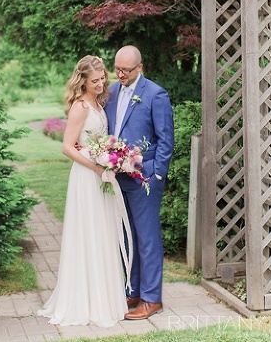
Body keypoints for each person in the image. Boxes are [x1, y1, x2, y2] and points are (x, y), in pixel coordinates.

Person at [38, 55, 128, 327]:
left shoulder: (98, 104)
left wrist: (111, 157)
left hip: (100, 174)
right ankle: (84, 300)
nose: (101, 84)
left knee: (102, 232)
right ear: (83, 81)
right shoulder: (80, 107)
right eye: (95, 81)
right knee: (87, 232)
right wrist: (96, 166)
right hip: (87, 177)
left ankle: (104, 297)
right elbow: (67, 147)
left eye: (102, 79)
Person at [104, 45, 174, 320]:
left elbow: (166, 139)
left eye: (126, 70)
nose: (120, 74)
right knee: (126, 237)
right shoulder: (110, 92)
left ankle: (151, 298)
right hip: (117, 177)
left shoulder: (155, 94)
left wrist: (156, 174)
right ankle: (132, 290)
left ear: (139, 68)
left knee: (147, 238)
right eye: (117, 68)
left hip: (144, 178)